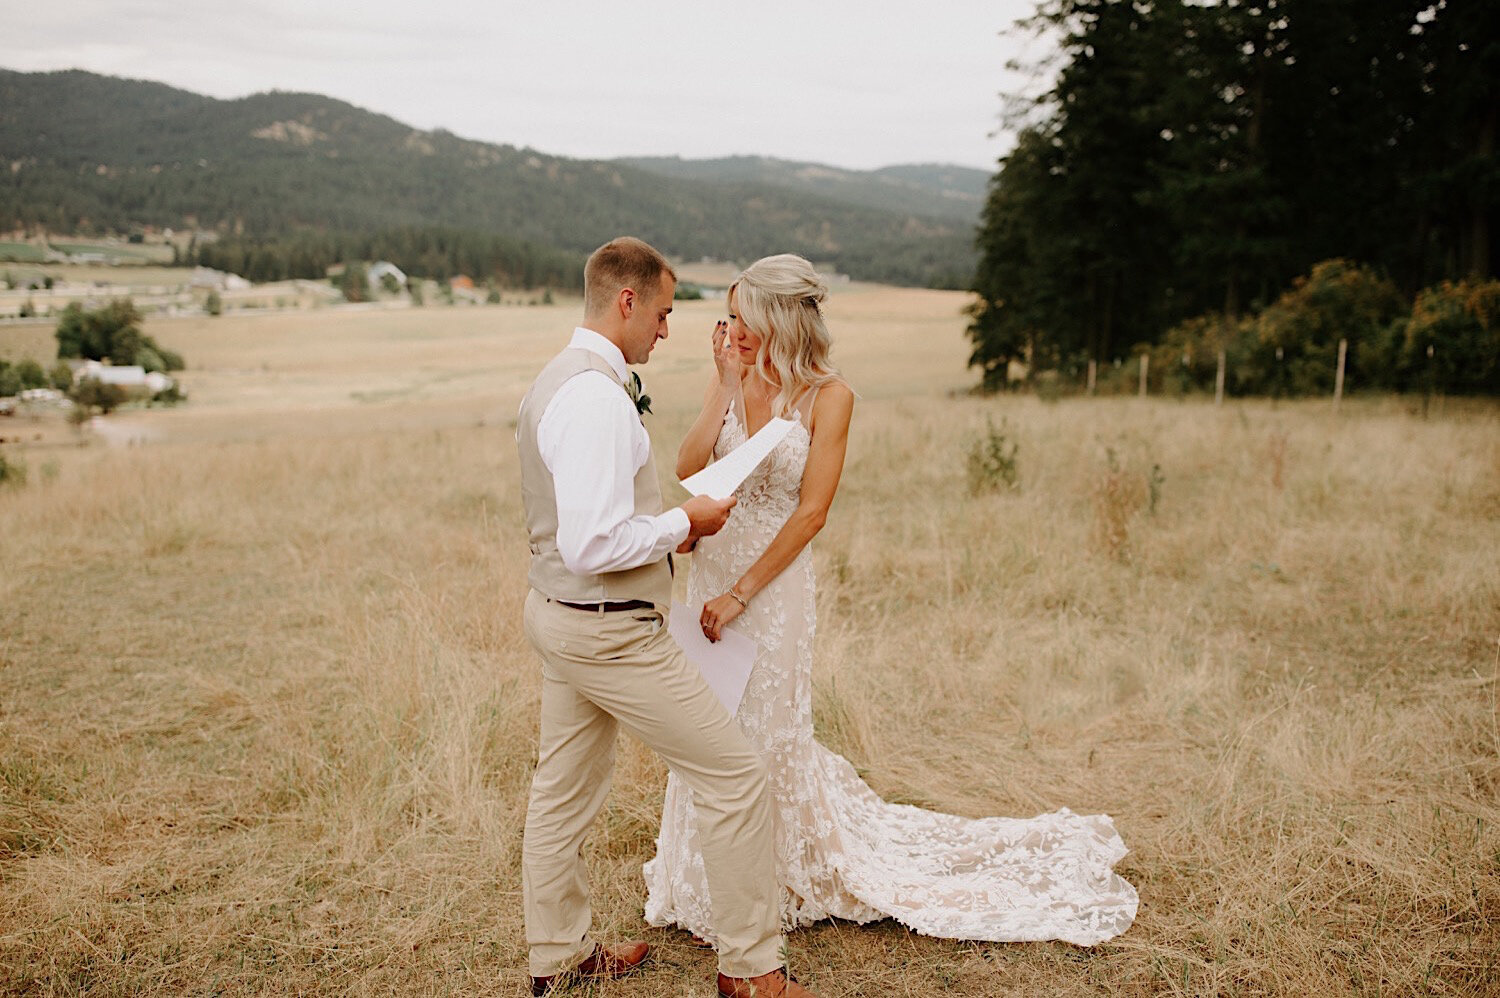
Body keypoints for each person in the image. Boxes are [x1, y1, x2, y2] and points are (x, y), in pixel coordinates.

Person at [643, 253, 1138, 947]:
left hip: (769, 588)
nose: (731, 331)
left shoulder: (830, 397)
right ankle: (701, 882)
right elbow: (690, 467)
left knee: (763, 729)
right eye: (727, 317)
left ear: (782, 320)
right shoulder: (732, 375)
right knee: (710, 725)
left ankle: (772, 879)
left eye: (744, 319)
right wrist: (725, 389)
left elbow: (812, 512)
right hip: (712, 567)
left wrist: (741, 594)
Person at [517, 237, 821, 998]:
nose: (666, 328)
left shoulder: (561, 378)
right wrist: (682, 525)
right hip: (608, 627)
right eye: (661, 311)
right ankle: (752, 974)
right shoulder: (593, 397)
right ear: (627, 302)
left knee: (563, 792)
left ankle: (557, 956)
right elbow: (593, 541)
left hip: (558, 614)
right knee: (735, 776)